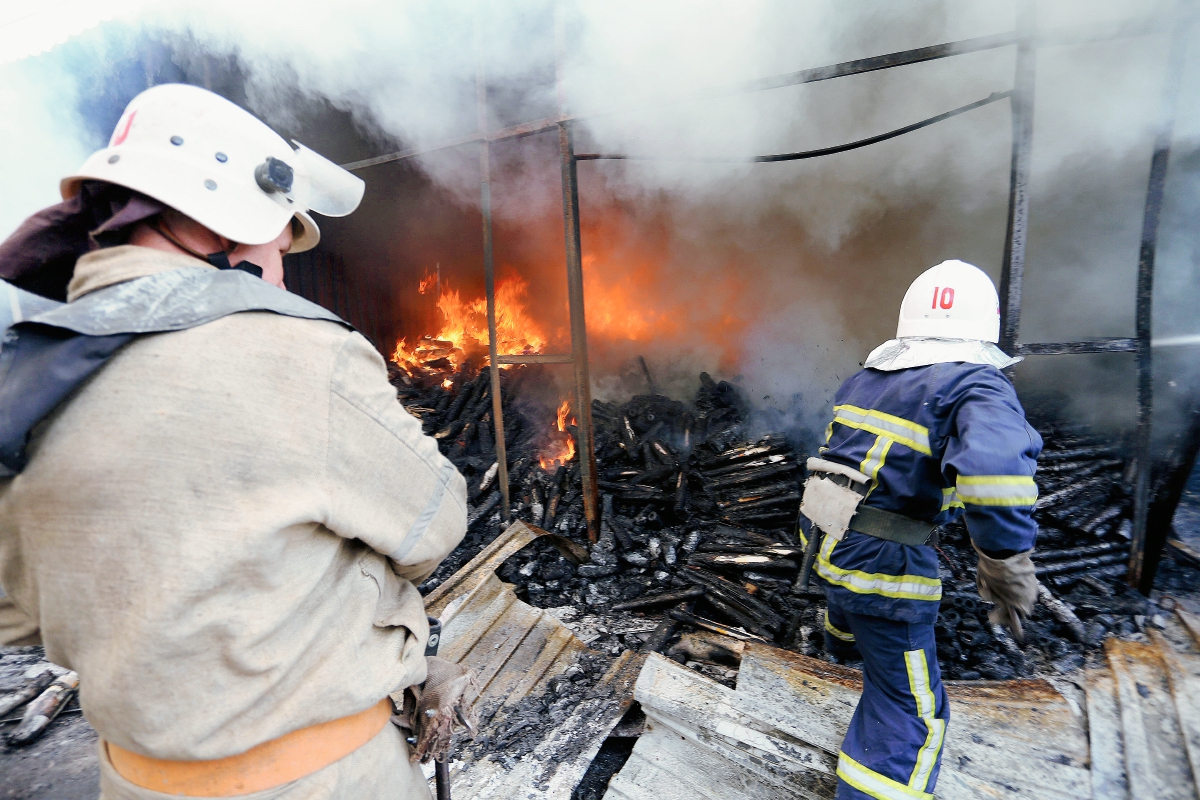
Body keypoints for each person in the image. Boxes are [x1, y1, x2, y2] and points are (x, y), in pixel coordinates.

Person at [0, 83, 466, 799]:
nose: (281, 269)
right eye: (281, 244)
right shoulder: (299, 353)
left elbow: (18, 612)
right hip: (323, 778)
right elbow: (435, 523)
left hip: (130, 781)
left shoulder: (22, 371)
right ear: (227, 226)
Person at [800, 259, 1041, 800]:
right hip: (883, 567)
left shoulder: (866, 379)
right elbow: (998, 475)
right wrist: (1005, 561)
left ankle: (844, 643)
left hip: (823, 541)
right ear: (986, 327)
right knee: (911, 712)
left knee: (855, 620)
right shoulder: (976, 385)